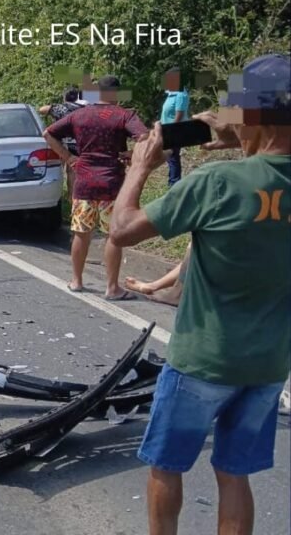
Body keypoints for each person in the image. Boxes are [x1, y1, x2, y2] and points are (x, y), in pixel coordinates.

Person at [110, 53, 290, 535]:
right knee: (235, 474)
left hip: (203, 360)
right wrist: (245, 140)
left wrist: (141, 168)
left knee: (166, 467)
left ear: (249, 114)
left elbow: (122, 230)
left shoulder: (217, 182)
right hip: (269, 365)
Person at [43, 75, 148, 300]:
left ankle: (77, 281)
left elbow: (48, 133)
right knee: (113, 236)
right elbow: (146, 138)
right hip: (112, 183)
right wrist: (131, 154)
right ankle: (112, 288)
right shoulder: (124, 115)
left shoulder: (79, 115)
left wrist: (69, 158)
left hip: (84, 181)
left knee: (81, 232)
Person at [39, 86, 86, 198]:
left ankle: (71, 197)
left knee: (68, 171)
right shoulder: (85, 109)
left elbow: (42, 109)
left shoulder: (60, 108)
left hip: (64, 145)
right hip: (83, 144)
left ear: (64, 97)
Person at [160, 67, 191, 186]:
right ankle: (173, 181)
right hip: (167, 129)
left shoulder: (180, 95)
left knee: (172, 157)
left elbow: (179, 115)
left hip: (175, 130)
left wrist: (171, 132)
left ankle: (174, 183)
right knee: (171, 158)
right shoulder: (171, 94)